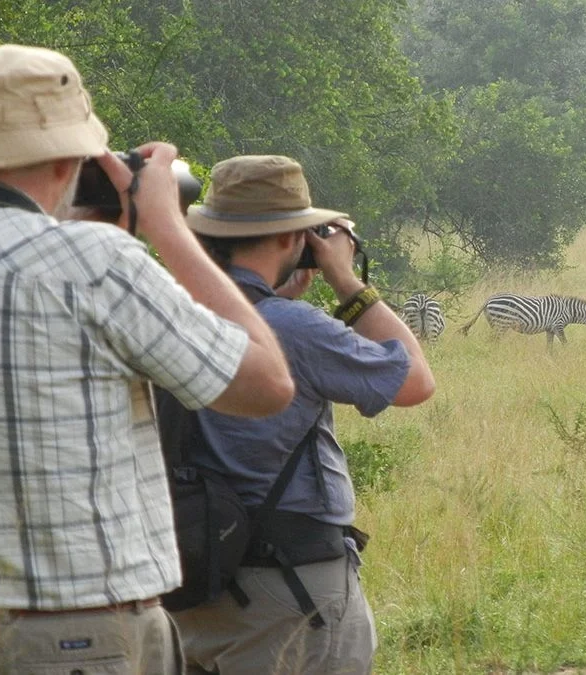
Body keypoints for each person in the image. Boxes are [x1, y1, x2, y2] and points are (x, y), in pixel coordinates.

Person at [0, 45, 296, 674]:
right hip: (74, 629)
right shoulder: (93, 264)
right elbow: (264, 385)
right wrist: (165, 228)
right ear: (73, 157)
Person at [165, 154, 436, 674]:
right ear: (293, 238)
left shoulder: (171, 310)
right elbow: (414, 382)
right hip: (289, 587)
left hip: (190, 582)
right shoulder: (294, 327)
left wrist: (272, 288)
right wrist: (346, 281)